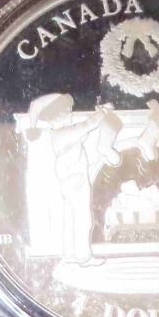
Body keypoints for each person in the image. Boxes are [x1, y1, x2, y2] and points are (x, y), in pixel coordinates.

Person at [29, 94, 120, 266]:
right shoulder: (64, 132)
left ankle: (70, 254)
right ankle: (84, 256)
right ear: (55, 116)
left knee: (71, 218)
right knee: (84, 219)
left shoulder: (60, 133)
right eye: (66, 111)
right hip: (76, 180)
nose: (70, 113)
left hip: (69, 179)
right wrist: (103, 111)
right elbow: (87, 125)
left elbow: (83, 132)